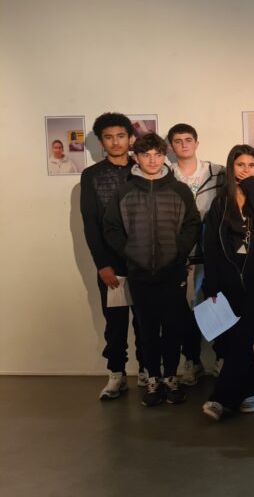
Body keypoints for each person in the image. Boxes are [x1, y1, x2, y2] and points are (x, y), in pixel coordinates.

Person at [103, 133, 201, 407]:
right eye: (146, 155)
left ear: (164, 155)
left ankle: (170, 378)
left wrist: (179, 251)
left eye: (157, 155)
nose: (152, 160)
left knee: (172, 328)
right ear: (136, 157)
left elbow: (192, 224)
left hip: (173, 272)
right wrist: (130, 252)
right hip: (140, 274)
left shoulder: (179, 190)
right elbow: (111, 228)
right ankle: (153, 379)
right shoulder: (124, 191)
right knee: (146, 330)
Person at [200, 145, 254, 421]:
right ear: (231, 167)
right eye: (241, 165)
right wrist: (211, 285)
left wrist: (252, 189)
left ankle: (221, 398)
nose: (246, 170)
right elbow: (211, 246)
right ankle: (250, 392)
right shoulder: (221, 202)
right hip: (227, 276)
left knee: (244, 334)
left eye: (252, 165)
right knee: (235, 337)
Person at [81, 112, 144, 400]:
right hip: (112, 263)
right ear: (101, 141)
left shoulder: (144, 168)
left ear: (130, 138)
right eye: (108, 137)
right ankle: (116, 374)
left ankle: (147, 371)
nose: (115, 142)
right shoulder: (91, 175)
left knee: (146, 322)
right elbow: (90, 223)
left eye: (120, 136)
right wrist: (102, 264)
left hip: (144, 262)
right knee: (115, 324)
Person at [167, 123, 226, 385]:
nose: (184, 145)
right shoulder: (165, 174)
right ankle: (191, 360)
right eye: (178, 141)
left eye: (188, 139)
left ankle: (222, 358)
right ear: (171, 146)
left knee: (217, 306)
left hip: (214, 252)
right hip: (182, 255)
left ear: (197, 143)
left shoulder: (217, 172)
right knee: (185, 311)